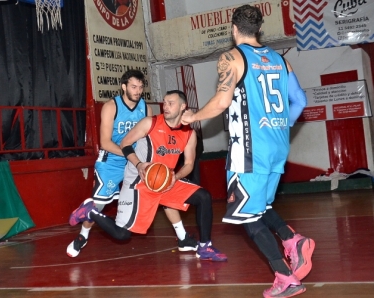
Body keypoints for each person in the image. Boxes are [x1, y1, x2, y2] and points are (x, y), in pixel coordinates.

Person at [181, 5, 314, 298]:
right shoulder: (280, 60)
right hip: (278, 147)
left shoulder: (232, 57)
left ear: (233, 29)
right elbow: (300, 100)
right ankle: (293, 240)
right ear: (259, 29)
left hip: (250, 151)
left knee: (246, 218)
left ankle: (284, 275)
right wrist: (280, 125)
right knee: (261, 208)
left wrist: (193, 117)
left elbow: (221, 102)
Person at [69, 90, 227, 262]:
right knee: (122, 234)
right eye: (164, 102)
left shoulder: (189, 134)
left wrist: (176, 176)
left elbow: (189, 164)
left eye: (171, 103)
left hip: (165, 180)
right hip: (140, 182)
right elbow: (125, 143)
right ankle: (90, 212)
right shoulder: (149, 123)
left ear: (183, 106)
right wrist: (139, 164)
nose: (165, 106)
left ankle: (205, 246)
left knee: (203, 196)